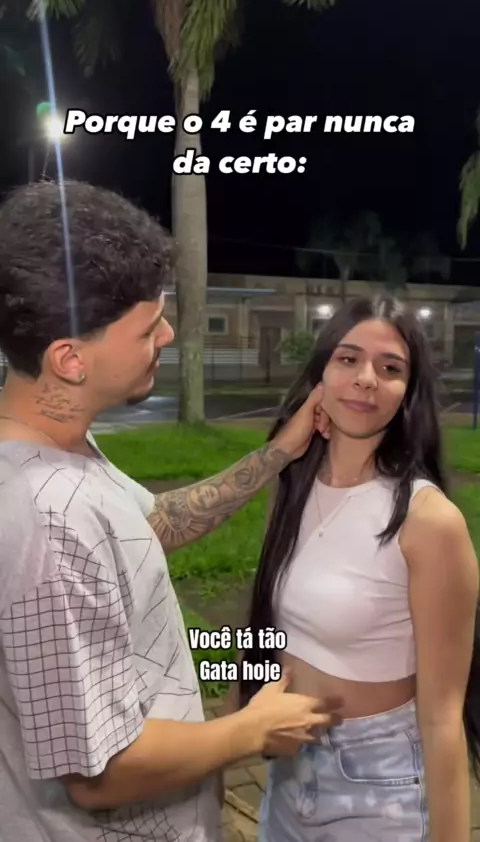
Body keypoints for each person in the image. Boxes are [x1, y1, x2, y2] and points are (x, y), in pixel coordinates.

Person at [0, 179, 342, 842]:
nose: (168, 333)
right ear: (69, 359)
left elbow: (152, 525)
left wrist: (278, 453)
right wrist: (252, 729)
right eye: (146, 325)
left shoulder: (60, 453)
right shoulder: (47, 519)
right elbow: (100, 773)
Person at [234, 295, 480, 841]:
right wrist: (238, 726)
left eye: (390, 368)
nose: (367, 378)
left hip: (378, 784)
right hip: (288, 768)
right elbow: (269, 631)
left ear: (408, 393)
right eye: (348, 359)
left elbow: (443, 718)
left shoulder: (429, 521)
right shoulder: (294, 488)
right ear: (321, 375)